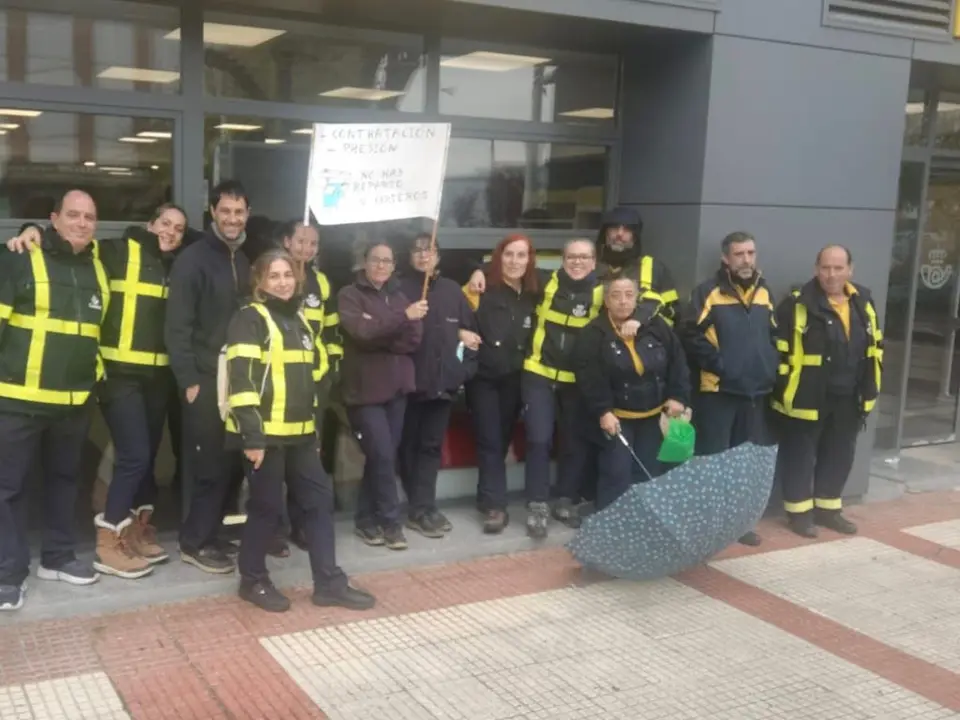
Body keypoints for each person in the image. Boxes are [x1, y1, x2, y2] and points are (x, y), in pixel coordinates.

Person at [6, 204, 188, 578]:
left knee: (143, 459)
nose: (170, 232)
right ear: (149, 223)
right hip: (116, 377)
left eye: (179, 228)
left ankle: (131, 533)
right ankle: (108, 542)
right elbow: (66, 243)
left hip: (154, 379)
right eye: (164, 223)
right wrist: (31, 227)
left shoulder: (177, 264)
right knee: (134, 456)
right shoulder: (115, 251)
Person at [224, 249, 375, 613]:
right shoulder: (249, 318)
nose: (282, 282)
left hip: (301, 435)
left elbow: (310, 383)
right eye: (273, 276)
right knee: (266, 508)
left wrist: (314, 433)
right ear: (259, 282)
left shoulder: (302, 322)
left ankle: (328, 583)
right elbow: (241, 382)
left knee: (320, 502)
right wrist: (253, 438)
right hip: (265, 437)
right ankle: (253, 580)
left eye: (287, 275)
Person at [0, 190, 108, 611]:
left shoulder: (99, 268)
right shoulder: (19, 258)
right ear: (54, 219)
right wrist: (27, 233)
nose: (82, 223)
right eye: (74, 215)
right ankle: (8, 574)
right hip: (16, 401)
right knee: (8, 489)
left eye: (90, 217)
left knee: (66, 482)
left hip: (73, 402)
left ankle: (58, 557)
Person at [165, 180, 252, 573]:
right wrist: (189, 380)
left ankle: (214, 533)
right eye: (225, 211)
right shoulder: (193, 259)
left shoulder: (245, 259)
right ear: (213, 213)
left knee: (229, 463)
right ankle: (194, 541)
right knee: (208, 465)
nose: (232, 219)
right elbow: (177, 326)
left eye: (239, 211)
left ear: (246, 214)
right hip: (203, 377)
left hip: (236, 379)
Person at [771, 245, 883, 538]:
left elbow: (874, 349)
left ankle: (828, 510)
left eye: (838, 268)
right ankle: (798, 515)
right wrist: (784, 393)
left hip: (848, 395)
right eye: (825, 268)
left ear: (850, 270)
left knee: (840, 453)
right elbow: (778, 354)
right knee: (800, 456)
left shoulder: (864, 302)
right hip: (807, 396)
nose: (831, 275)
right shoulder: (797, 304)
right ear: (815, 269)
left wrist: (869, 390)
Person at [684, 232, 778, 547]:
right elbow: (691, 336)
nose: (746, 259)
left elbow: (773, 335)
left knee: (743, 465)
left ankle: (740, 525)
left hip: (754, 394)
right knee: (712, 462)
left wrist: (768, 365)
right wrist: (725, 367)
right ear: (726, 258)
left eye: (751, 252)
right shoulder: (707, 293)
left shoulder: (765, 293)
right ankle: (709, 527)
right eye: (739, 254)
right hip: (718, 393)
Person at [338, 241, 426, 550]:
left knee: (380, 456)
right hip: (365, 393)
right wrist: (400, 320)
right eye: (376, 260)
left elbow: (413, 340)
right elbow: (361, 333)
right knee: (384, 455)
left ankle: (365, 519)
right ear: (365, 262)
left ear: (393, 266)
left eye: (387, 261)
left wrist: (383, 331)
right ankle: (391, 523)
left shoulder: (399, 297)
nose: (381, 266)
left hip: (397, 389)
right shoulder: (350, 295)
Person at [574, 277, 690, 510]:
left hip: (654, 415)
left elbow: (678, 362)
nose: (623, 301)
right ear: (606, 301)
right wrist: (603, 411)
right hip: (617, 417)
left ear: (637, 298)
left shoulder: (655, 326)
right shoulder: (593, 334)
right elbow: (589, 378)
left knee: (649, 472)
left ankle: (643, 523)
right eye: (616, 295)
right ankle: (610, 527)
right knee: (616, 473)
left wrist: (678, 397)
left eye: (629, 294)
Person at [396, 233, 479, 538]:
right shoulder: (398, 288)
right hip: (408, 384)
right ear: (408, 256)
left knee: (431, 448)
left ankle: (425, 506)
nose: (423, 255)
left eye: (429, 249)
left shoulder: (452, 290)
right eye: (416, 250)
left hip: (442, 385)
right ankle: (416, 508)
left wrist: (461, 371)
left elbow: (470, 332)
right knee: (407, 448)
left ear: (438, 256)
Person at [465, 234, 540, 534]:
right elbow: (458, 317)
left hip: (516, 377)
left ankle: (486, 497)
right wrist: (478, 269)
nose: (514, 262)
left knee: (502, 437)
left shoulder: (536, 289)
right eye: (508, 255)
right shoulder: (482, 286)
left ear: (530, 259)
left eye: (521, 256)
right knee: (490, 440)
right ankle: (496, 507)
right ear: (499, 257)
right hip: (483, 377)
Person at [278, 220, 343, 552]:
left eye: (313, 243)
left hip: (314, 383)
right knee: (277, 458)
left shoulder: (321, 282)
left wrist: (331, 366)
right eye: (301, 241)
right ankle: (273, 529)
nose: (307, 248)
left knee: (309, 458)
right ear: (287, 242)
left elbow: (331, 329)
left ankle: (301, 525)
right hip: (278, 383)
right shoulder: (273, 274)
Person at [595, 206, 680, 325]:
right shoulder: (588, 266)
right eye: (614, 228)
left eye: (627, 229)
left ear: (635, 236)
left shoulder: (654, 268)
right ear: (605, 233)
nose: (619, 234)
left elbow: (672, 313)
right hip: (596, 338)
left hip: (641, 339)